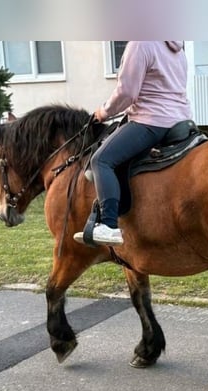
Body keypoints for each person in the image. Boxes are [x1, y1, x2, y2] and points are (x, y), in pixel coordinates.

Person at [74, 41, 193, 246]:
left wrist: (103, 112)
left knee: (101, 160)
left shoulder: (141, 43)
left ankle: (109, 225)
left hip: (151, 121)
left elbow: (127, 93)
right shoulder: (176, 46)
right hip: (180, 120)